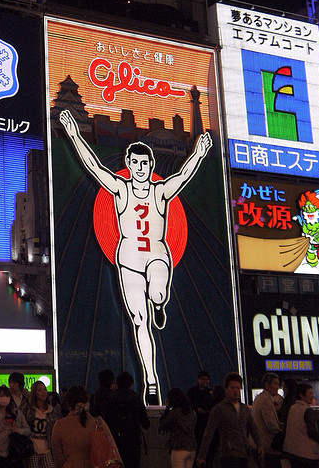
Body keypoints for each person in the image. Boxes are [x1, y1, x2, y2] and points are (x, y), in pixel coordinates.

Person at [60, 109, 212, 405]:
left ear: (150, 164)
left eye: (145, 162)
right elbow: (93, 166)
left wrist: (200, 153)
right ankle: (152, 380)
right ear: (129, 165)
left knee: (157, 292)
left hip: (156, 253)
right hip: (128, 258)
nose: (140, 167)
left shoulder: (160, 191)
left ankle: (159, 302)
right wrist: (74, 135)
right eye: (135, 162)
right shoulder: (120, 189)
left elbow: (183, 175)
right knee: (139, 321)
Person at [104, 370, 149, 468]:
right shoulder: (135, 398)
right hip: (133, 443)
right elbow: (145, 423)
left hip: (116, 443)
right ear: (131, 383)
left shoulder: (112, 399)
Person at [158, 387, 197, 468]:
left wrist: (167, 409)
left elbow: (163, 425)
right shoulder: (191, 412)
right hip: (191, 447)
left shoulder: (174, 412)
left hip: (178, 447)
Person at [251, 372, 284, 468]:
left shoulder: (261, 398)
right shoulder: (265, 400)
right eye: (275, 383)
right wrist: (280, 430)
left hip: (258, 443)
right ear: (267, 385)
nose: (277, 387)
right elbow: (270, 423)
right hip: (266, 444)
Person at [188, 370, 214, 468]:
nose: (205, 381)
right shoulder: (194, 392)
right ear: (198, 380)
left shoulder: (210, 393)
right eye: (203, 379)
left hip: (205, 425)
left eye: (206, 379)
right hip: (198, 426)